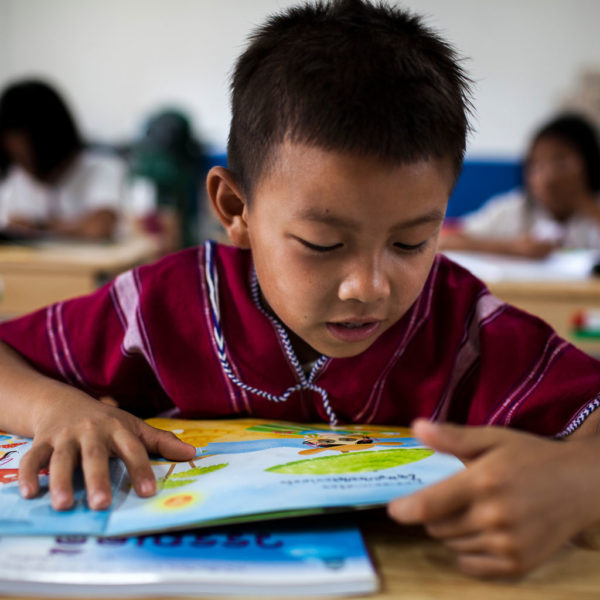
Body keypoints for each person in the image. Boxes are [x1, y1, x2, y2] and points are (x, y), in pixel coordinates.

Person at [0, 0, 599, 579]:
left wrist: (579, 483)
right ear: (236, 208)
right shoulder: (164, 307)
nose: (368, 287)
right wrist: (58, 408)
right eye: (322, 244)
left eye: (411, 243)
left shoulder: (467, 328)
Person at [440, 113, 600, 257]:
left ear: (589, 162)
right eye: (537, 165)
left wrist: (585, 204)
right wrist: (513, 248)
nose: (548, 177)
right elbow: (443, 239)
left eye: (560, 162)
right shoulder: (514, 209)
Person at [0, 80, 124, 241]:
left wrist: (37, 226)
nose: (25, 166)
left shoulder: (102, 169)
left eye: (29, 156)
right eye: (16, 157)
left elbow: (98, 228)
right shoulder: (14, 180)